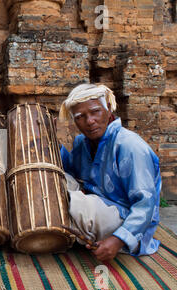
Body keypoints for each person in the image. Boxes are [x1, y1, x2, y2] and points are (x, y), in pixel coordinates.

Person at [59, 83, 161, 261]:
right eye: (80, 117)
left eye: (95, 111)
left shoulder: (130, 146)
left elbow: (145, 204)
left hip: (127, 220)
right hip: (101, 206)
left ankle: (118, 241)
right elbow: (70, 171)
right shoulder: (82, 142)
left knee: (75, 203)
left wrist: (117, 240)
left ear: (108, 108)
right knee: (56, 181)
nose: (90, 121)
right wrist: (50, 140)